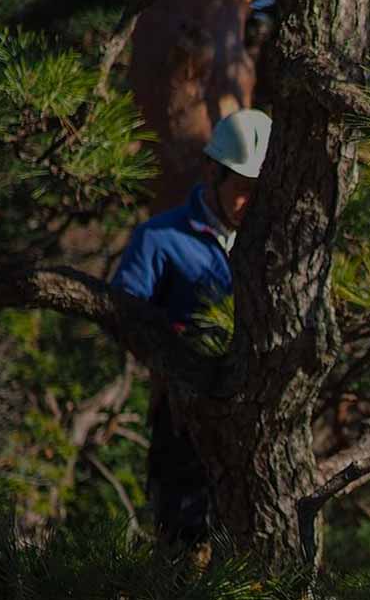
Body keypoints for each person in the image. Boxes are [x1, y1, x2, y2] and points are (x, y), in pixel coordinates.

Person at [111, 108, 271, 545]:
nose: (248, 204)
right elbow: (122, 318)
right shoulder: (159, 239)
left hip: (258, 425)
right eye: (241, 190)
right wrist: (178, 347)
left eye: (258, 191)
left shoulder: (273, 245)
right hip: (184, 423)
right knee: (185, 544)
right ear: (212, 173)